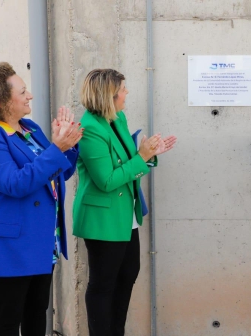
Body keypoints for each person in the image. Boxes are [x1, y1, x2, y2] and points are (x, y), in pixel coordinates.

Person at [0, 62, 82, 335]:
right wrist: (56, 148)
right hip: (8, 245)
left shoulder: (29, 128)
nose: (29, 96)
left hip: (40, 239)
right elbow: (15, 184)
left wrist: (68, 145)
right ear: (0, 99)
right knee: (9, 318)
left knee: (36, 312)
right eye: (23, 91)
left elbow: (55, 175)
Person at [73, 69, 176, 335]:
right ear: (109, 94)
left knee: (128, 274)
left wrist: (150, 154)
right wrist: (141, 157)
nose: (127, 92)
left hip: (125, 216)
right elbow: (106, 180)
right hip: (103, 220)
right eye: (123, 88)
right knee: (103, 284)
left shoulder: (117, 119)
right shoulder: (89, 130)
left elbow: (131, 163)